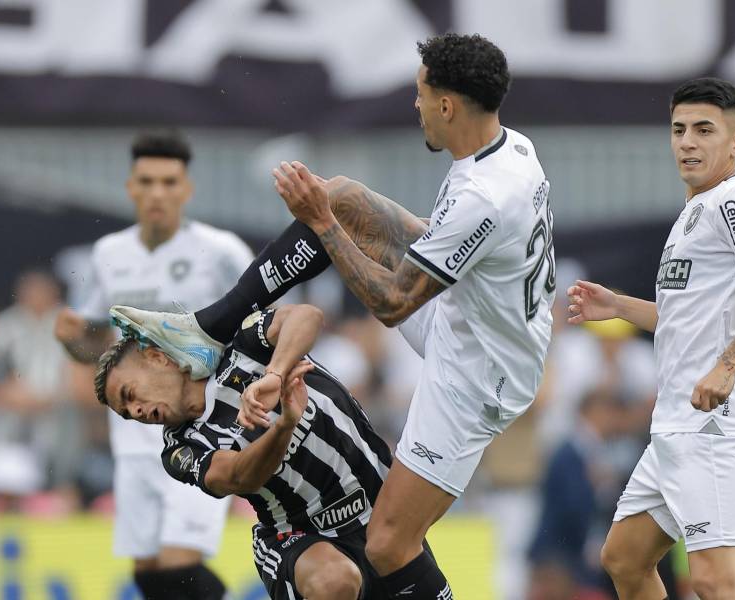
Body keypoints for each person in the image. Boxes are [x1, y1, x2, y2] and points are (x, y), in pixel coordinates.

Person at [111, 33, 554, 598]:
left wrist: (322, 224)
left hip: (478, 371)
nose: (414, 106)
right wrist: (331, 213)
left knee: (389, 544)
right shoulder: (511, 149)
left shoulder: (483, 199)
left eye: (420, 95)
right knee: (342, 195)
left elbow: (393, 304)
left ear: (447, 104)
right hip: (475, 316)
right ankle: (211, 323)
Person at [568, 78, 735, 600]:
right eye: (679, 129)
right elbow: (689, 318)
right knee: (624, 558)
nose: (687, 141)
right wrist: (619, 306)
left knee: (714, 580)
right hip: (674, 424)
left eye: (704, 130)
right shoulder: (694, 212)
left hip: (712, 424)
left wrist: (727, 366)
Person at [95, 302, 424, 599]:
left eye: (129, 394)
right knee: (334, 582)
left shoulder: (243, 347)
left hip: (381, 509)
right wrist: (284, 425)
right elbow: (239, 477)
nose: (135, 411)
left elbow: (307, 316)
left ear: (156, 357)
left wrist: (275, 373)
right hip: (298, 537)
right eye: (126, 412)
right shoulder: (179, 448)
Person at [54, 130, 252, 600]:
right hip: (132, 436)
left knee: (179, 567)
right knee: (148, 575)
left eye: (169, 181)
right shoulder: (109, 255)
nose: (158, 193)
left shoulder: (221, 250)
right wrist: (71, 342)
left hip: (201, 429)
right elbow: (101, 354)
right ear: (131, 188)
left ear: (187, 190)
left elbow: (262, 319)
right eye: (147, 181)